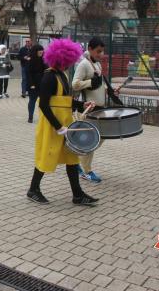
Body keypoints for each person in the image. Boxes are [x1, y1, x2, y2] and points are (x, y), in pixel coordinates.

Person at [27, 38, 98, 206]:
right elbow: (43, 105)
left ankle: (78, 194)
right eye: (69, 61)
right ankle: (33, 190)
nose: (71, 64)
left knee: (72, 158)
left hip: (66, 125)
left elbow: (65, 101)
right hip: (52, 126)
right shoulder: (49, 77)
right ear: (62, 59)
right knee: (46, 155)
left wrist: (82, 105)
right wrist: (58, 127)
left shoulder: (62, 76)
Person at [72, 37, 106, 183]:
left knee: (100, 137)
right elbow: (75, 84)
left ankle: (74, 159)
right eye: (98, 51)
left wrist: (110, 91)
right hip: (87, 110)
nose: (101, 54)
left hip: (98, 109)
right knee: (90, 141)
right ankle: (86, 171)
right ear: (90, 49)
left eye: (102, 51)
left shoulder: (97, 64)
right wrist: (90, 82)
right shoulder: (84, 64)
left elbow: (99, 85)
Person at [26, 44, 47, 123]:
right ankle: (30, 117)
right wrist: (31, 84)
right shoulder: (30, 60)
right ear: (36, 51)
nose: (41, 51)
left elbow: (46, 70)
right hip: (33, 84)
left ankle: (43, 117)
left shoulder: (44, 60)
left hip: (42, 83)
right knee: (32, 100)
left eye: (42, 50)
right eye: (39, 50)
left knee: (43, 101)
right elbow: (28, 73)